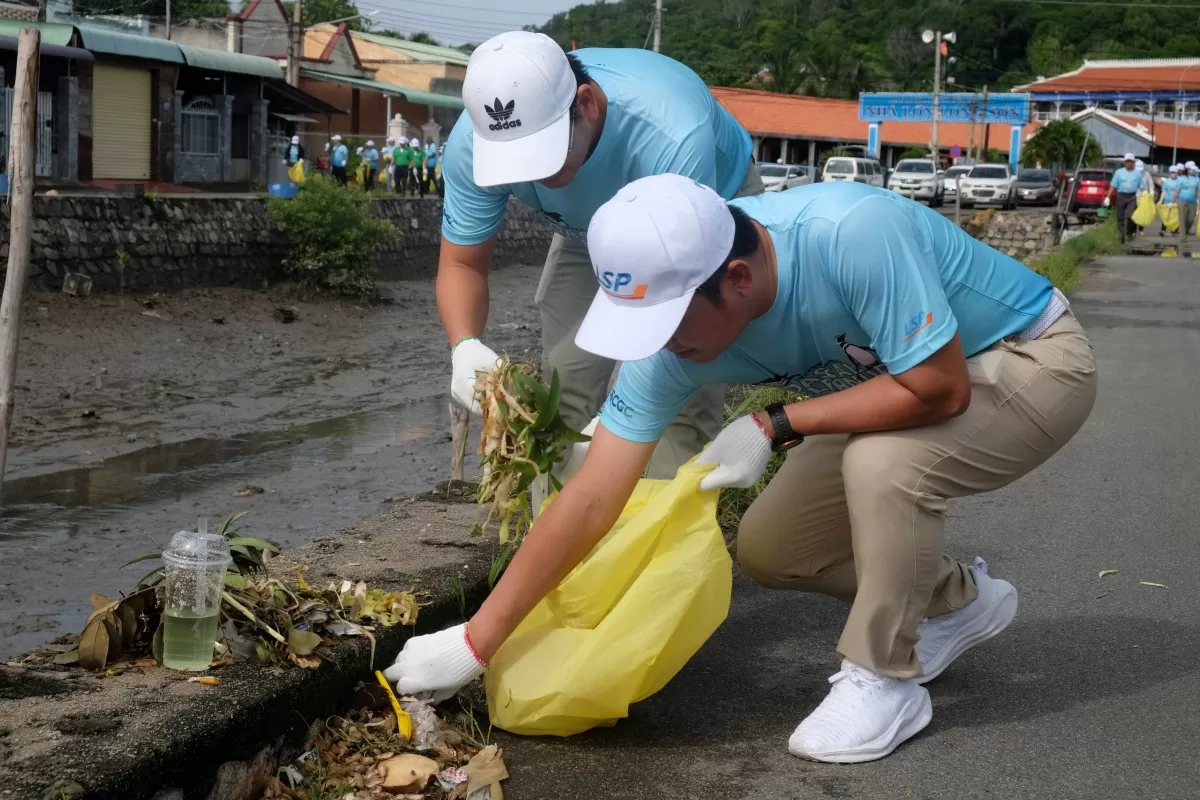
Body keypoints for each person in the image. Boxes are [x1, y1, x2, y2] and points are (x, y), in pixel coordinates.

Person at [386, 175, 1098, 764]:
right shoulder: (672, 339)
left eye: (669, 325)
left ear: (735, 278)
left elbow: (941, 389)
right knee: (771, 547)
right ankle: (956, 602)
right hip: (891, 385)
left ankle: (886, 678)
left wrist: (777, 421)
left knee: (883, 465)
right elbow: (595, 495)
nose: (659, 346)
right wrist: (477, 639)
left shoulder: (850, 234)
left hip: (1026, 362)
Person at [439, 30, 761, 480]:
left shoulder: (670, 134)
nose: (535, 177)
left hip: (695, 218)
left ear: (586, 105)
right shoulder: (471, 146)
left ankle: (658, 534)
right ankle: (560, 528)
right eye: (515, 164)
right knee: (561, 386)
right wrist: (465, 344)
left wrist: (625, 415)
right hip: (584, 230)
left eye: (543, 155)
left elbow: (669, 299)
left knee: (680, 386)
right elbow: (461, 264)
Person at [1107, 153, 1141, 244]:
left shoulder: (1137, 174)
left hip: (1132, 197)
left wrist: (1145, 195)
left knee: (1130, 216)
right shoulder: (1119, 172)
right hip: (1121, 196)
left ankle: (1129, 232)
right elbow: (1113, 185)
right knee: (1120, 217)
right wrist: (1108, 197)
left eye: (1130, 161)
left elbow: (1142, 187)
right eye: (1127, 161)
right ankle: (1121, 235)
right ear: (1125, 162)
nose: (1128, 163)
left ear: (1133, 162)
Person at [1178, 161, 1200, 249]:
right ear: (1187, 169)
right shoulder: (1181, 178)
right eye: (1191, 168)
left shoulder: (1197, 179)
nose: (1192, 170)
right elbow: (1177, 190)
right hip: (1182, 200)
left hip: (1193, 201)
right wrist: (1172, 201)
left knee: (1191, 219)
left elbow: (1198, 191)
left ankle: (1185, 231)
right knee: (1182, 218)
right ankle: (1183, 237)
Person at [1160, 165, 1180, 238]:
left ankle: (1174, 231)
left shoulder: (1179, 182)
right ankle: (1163, 230)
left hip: (1176, 202)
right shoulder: (1167, 182)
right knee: (1166, 216)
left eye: (1174, 172)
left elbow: (1180, 192)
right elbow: (1164, 192)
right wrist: (1161, 200)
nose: (1173, 174)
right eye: (1171, 172)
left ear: (1176, 173)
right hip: (1167, 202)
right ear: (1169, 173)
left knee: (1175, 217)